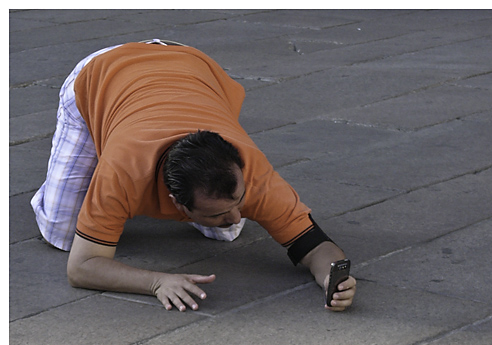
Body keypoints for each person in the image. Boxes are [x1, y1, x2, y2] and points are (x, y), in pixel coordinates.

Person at [31, 40, 357, 312]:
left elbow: (316, 247)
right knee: (60, 233)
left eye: (239, 201)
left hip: (190, 64)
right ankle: (89, 184)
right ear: (178, 205)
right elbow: (81, 268)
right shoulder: (122, 171)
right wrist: (156, 281)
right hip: (103, 72)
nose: (237, 215)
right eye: (217, 212)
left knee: (225, 234)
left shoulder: (252, 170)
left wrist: (332, 277)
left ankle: (114, 211)